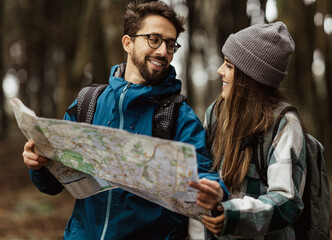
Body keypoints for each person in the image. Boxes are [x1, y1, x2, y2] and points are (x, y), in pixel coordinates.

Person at [22, 2, 227, 239]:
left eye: (170, 44)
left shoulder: (179, 115)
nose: (163, 51)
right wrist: (38, 164)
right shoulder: (88, 103)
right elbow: (51, 185)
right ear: (127, 43)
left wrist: (215, 192)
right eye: (154, 39)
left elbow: (203, 174)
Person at [189, 22, 306, 239]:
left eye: (229, 66)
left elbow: (287, 200)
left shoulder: (284, 123)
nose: (219, 71)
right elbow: (202, 171)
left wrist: (232, 216)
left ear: (250, 78)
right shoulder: (214, 114)